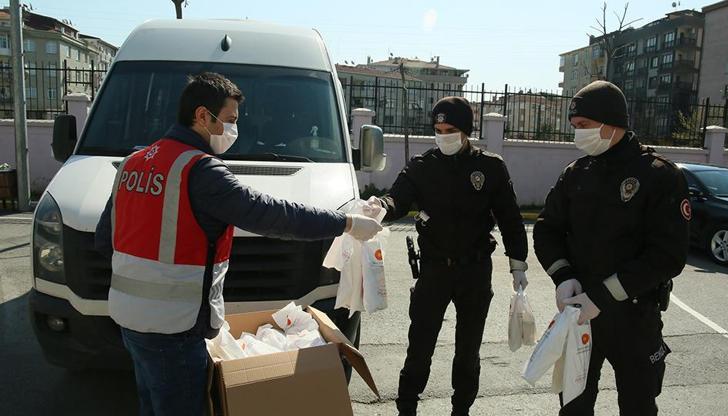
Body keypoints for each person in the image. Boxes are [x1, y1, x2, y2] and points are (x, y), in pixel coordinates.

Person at [94, 72, 382, 416]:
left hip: (129, 319)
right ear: (202, 116)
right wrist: (347, 223)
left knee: (151, 405)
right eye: (229, 120)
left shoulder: (133, 163)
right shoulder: (200, 171)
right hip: (174, 328)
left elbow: (103, 240)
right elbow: (274, 215)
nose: (233, 130)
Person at [533, 80, 690, 416]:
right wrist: (563, 276)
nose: (578, 134)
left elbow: (667, 255)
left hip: (634, 318)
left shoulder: (658, 175)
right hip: (580, 317)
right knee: (573, 404)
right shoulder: (575, 174)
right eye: (575, 127)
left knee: (638, 404)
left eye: (584, 126)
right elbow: (547, 230)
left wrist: (601, 297)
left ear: (611, 123)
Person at [366, 97, 529, 416]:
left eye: (451, 129)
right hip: (434, 271)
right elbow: (396, 198)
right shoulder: (422, 166)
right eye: (438, 130)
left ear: (467, 130)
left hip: (474, 271)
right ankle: (407, 408)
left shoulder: (490, 167)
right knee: (420, 348)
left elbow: (510, 218)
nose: (443, 136)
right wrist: (380, 208)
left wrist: (518, 264)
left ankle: (461, 409)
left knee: (468, 352)